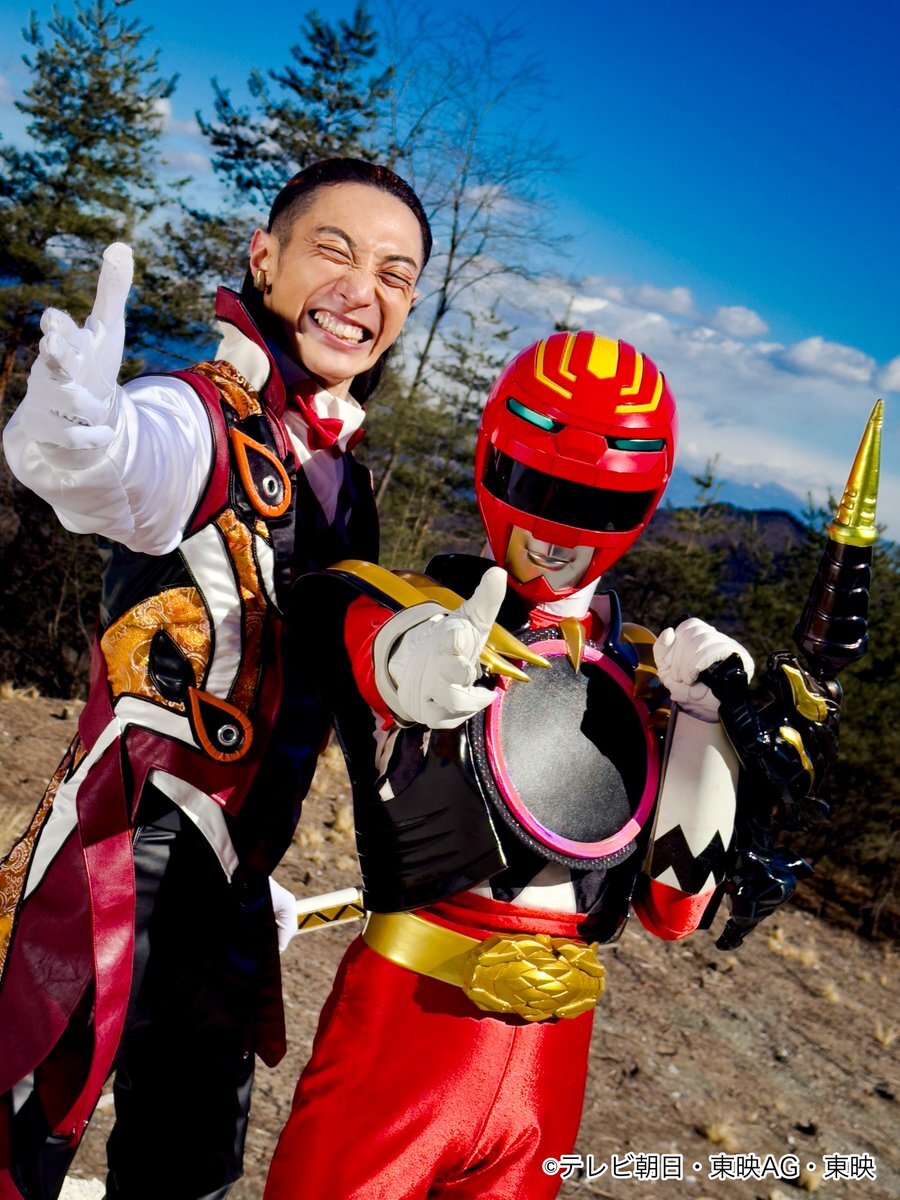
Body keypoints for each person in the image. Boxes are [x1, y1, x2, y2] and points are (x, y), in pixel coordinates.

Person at [0, 157, 434, 1200]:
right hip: (112, 864)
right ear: (264, 257)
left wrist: (250, 871)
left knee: (189, 1172)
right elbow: (123, 466)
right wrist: (76, 432)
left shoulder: (350, 482)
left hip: (230, 893)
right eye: (334, 251)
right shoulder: (193, 414)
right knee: (18, 1141)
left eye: (394, 274)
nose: (361, 290)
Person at [263, 331, 774, 1200]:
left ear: (640, 506)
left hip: (550, 1057)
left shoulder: (640, 674)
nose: (557, 532)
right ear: (495, 466)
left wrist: (705, 724)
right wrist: (415, 664)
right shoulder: (407, 607)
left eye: (600, 505)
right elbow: (381, 645)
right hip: (407, 1024)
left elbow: (674, 905)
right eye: (539, 488)